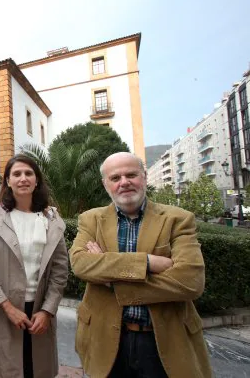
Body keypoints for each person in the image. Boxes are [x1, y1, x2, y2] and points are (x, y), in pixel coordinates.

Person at [70, 152, 211, 378]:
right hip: (105, 341)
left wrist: (113, 281)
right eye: (115, 178)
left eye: (131, 175)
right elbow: (80, 264)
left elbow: (190, 282)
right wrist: (147, 262)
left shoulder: (178, 219)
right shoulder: (90, 219)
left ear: (144, 177)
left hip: (163, 342)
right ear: (105, 184)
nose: (124, 182)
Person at [0, 154, 69, 378]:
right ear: (7, 181)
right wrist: (6, 306)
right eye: (16, 174)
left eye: (28, 173)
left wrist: (47, 310)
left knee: (35, 369)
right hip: (1, 310)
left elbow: (60, 271)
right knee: (3, 370)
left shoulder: (52, 221)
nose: (23, 178)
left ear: (37, 180)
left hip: (38, 312)